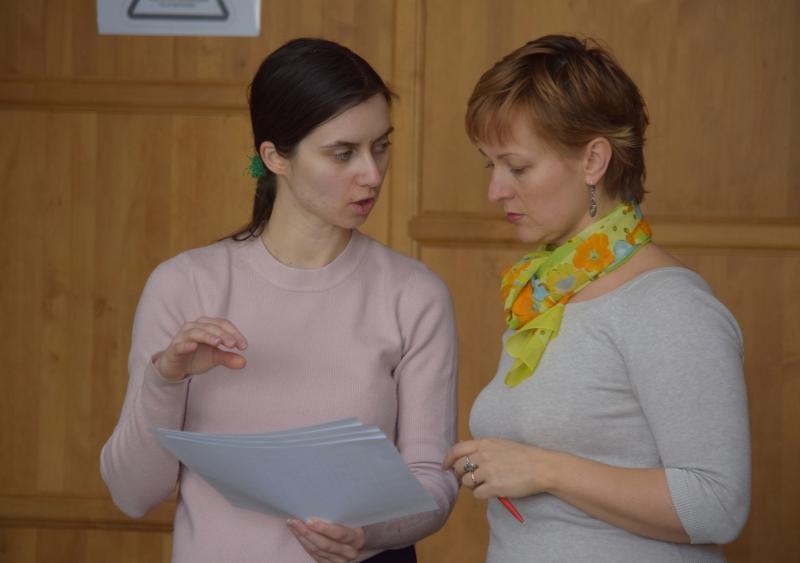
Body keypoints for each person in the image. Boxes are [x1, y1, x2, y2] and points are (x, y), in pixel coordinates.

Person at [101, 38, 458, 563]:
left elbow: (432, 480)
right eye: (343, 153)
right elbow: (133, 495)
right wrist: (165, 379)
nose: (372, 173)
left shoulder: (414, 295)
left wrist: (366, 532)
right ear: (274, 157)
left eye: (381, 146)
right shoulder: (184, 285)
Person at [442, 35, 750, 562]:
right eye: (489, 165)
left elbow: (718, 504)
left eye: (517, 167)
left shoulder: (669, 306)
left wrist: (543, 469)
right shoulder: (548, 292)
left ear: (593, 160)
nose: (495, 190)